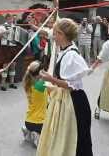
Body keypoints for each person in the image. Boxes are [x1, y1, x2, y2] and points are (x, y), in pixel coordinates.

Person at [37, 18, 93, 156]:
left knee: (74, 139)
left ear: (62, 35)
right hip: (65, 99)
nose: (53, 37)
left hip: (73, 102)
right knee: (62, 136)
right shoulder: (64, 51)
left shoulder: (71, 55)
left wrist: (50, 79)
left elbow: (71, 85)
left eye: (55, 33)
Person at [21, 60, 47, 147]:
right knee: (51, 128)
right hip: (39, 123)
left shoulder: (28, 84)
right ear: (40, 72)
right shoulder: (41, 85)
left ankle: (28, 130)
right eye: (43, 70)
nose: (45, 71)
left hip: (28, 121)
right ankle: (37, 135)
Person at [0, 14, 21, 91]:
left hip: (14, 47)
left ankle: (11, 83)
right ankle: (3, 84)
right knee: (5, 66)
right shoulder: (2, 27)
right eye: (9, 18)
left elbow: (18, 38)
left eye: (11, 18)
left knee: (13, 65)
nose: (10, 20)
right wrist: (5, 32)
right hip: (6, 48)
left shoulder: (15, 27)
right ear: (6, 19)